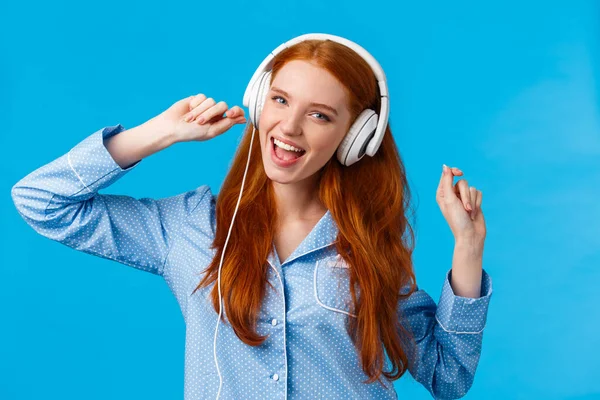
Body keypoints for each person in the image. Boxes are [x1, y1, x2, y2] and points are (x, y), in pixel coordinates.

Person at [11, 33, 493, 400]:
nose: (289, 126)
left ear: (355, 139)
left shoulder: (368, 248)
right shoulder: (190, 227)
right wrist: (155, 134)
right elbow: (40, 201)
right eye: (281, 100)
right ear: (261, 102)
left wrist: (468, 250)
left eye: (320, 115)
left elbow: (447, 377)